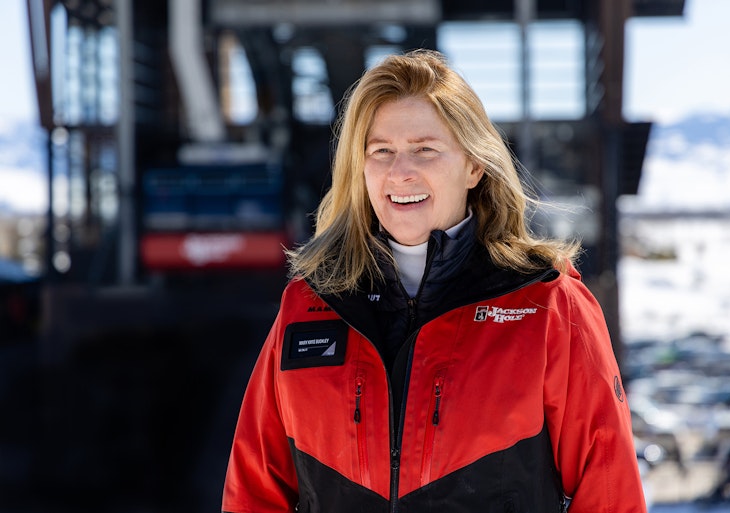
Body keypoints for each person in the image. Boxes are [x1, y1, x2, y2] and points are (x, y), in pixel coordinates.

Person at [222, 49, 646, 513]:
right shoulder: (306, 306)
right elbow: (254, 491)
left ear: (474, 166)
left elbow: (609, 490)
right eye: (381, 151)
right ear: (360, 170)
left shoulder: (547, 306)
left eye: (425, 149)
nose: (400, 172)